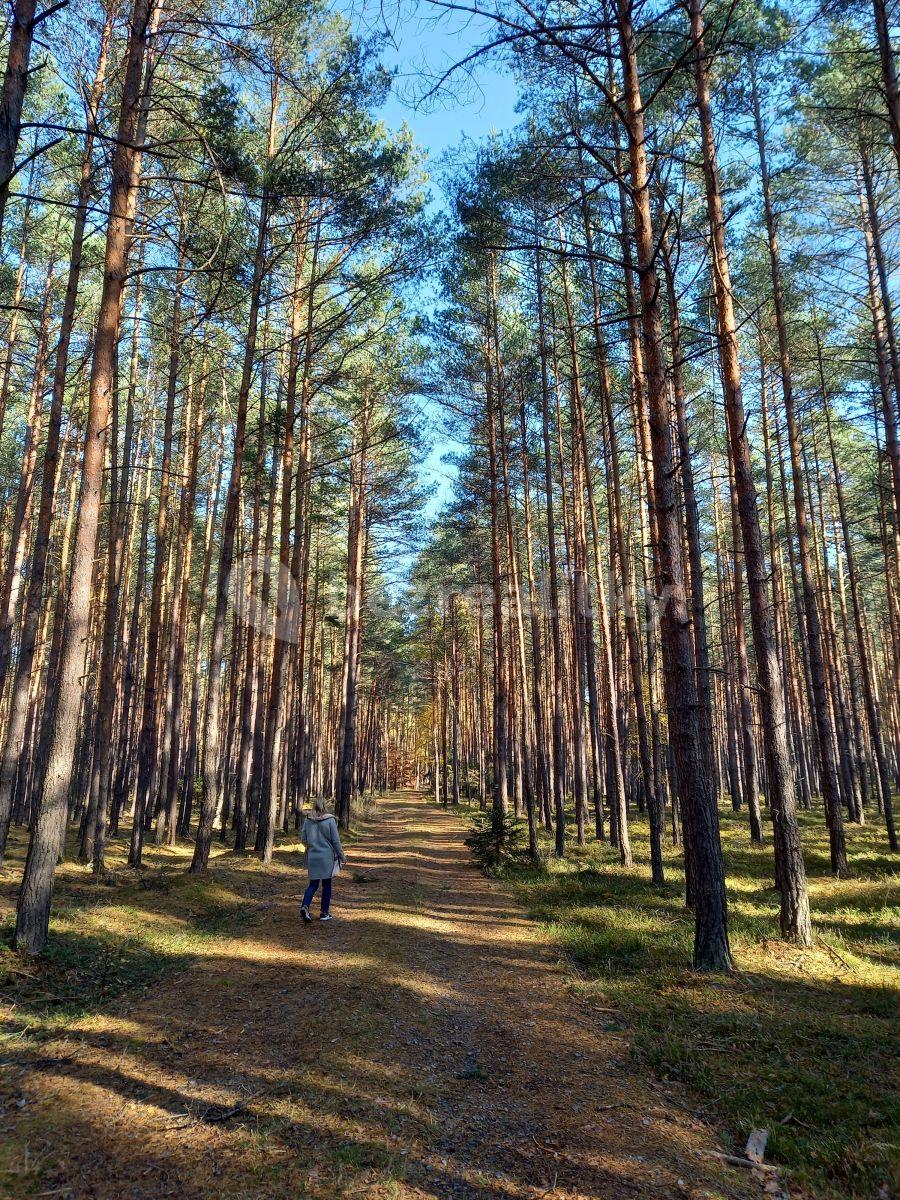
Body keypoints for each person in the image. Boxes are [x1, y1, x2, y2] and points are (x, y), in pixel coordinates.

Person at [300, 797, 345, 922]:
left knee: (313, 884)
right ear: (325, 806)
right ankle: (324, 913)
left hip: (313, 856)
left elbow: (303, 839)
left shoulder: (308, 820)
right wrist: (342, 855)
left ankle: (305, 906)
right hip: (327, 857)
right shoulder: (330, 820)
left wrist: (312, 846)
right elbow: (336, 841)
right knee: (326, 884)